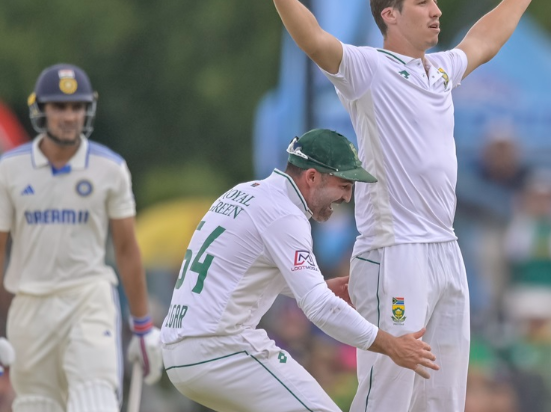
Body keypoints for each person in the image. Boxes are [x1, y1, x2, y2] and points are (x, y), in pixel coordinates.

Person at [259, 0, 551, 412]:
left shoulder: (439, 71)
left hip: (445, 248)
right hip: (393, 250)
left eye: (435, 1)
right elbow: (315, 41)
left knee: (444, 398)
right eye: (423, 2)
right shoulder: (367, 69)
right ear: (390, 15)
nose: (436, 11)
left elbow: (483, 41)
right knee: (387, 396)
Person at [160, 128, 438, 412]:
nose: (347, 197)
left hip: (177, 350)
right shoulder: (285, 214)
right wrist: (391, 345)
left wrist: (319, 286)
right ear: (312, 176)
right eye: (343, 185)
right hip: (218, 350)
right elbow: (318, 308)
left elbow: (238, 273)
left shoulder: (244, 192)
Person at [0, 64, 162, 412]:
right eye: (59, 106)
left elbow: (126, 249)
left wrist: (143, 325)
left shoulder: (110, 168)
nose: (70, 116)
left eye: (77, 107)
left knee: (95, 401)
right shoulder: (9, 169)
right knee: (36, 405)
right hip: (30, 305)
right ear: (40, 109)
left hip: (88, 300)